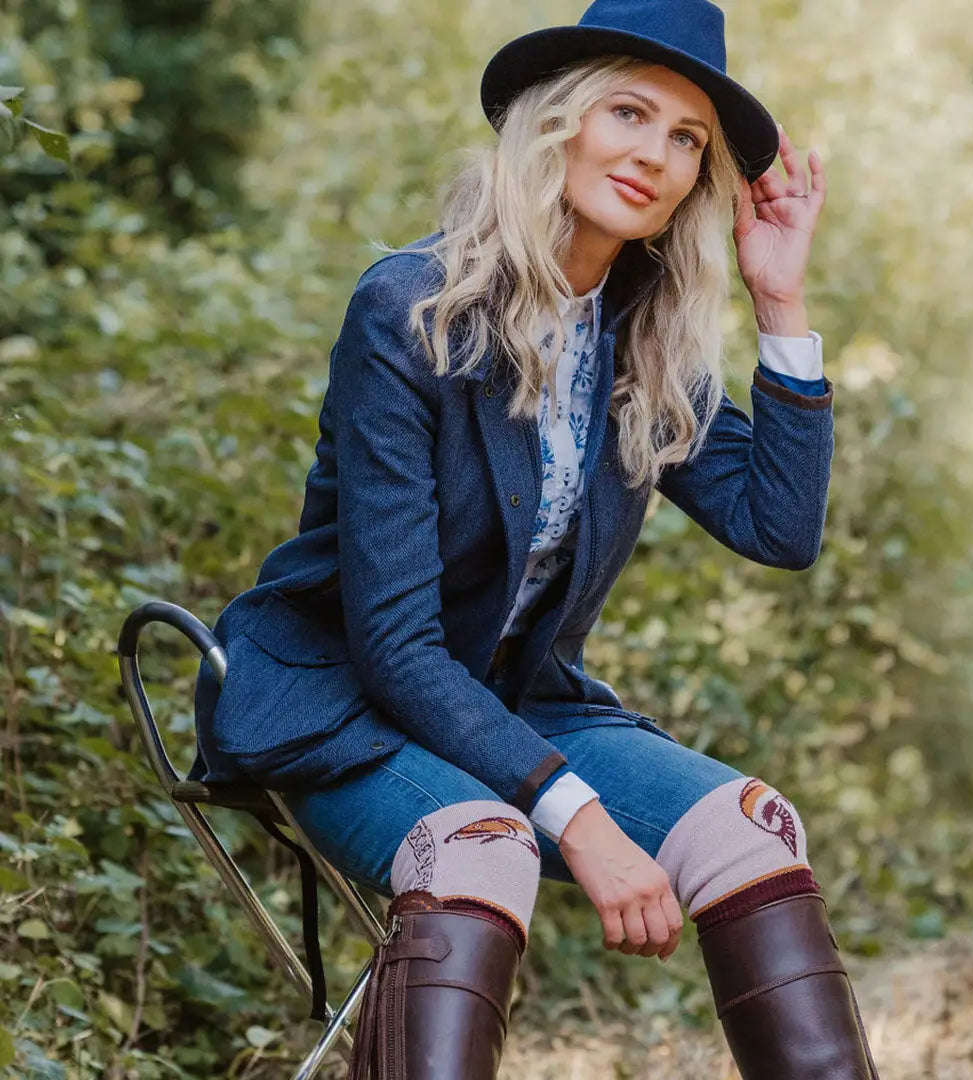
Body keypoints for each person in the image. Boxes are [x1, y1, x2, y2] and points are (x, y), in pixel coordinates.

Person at [189, 0, 880, 1076]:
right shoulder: (412, 312)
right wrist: (586, 825)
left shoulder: (642, 340)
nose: (654, 154)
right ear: (559, 121)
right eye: (629, 112)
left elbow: (778, 529)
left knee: (752, 830)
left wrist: (780, 298)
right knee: (485, 848)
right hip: (347, 703)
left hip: (514, 705)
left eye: (687, 139)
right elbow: (396, 645)